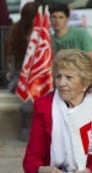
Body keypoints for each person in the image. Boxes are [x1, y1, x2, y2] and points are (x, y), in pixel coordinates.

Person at [4, 1, 39, 141]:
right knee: (29, 90)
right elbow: (12, 63)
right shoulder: (16, 32)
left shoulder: (42, 32)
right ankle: (26, 129)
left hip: (38, 77)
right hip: (18, 79)